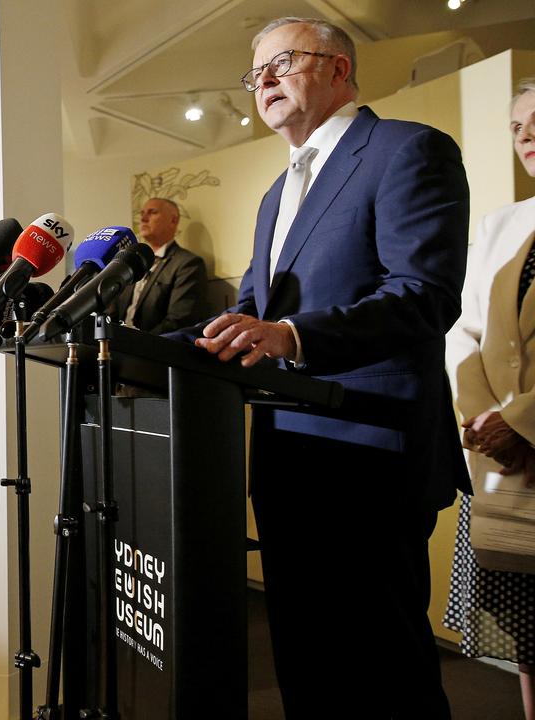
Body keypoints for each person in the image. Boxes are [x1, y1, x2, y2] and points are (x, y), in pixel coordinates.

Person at [176, 17, 469, 717]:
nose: (264, 82)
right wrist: (129, 342)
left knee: (383, 670)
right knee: (307, 663)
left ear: (339, 68)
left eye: (282, 63)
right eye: (256, 74)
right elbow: (246, 310)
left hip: (372, 454)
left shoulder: (407, 150)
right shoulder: (279, 192)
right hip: (288, 454)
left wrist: (291, 336)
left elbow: (422, 296)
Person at [444, 78, 535, 720]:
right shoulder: (504, 223)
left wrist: (524, 421)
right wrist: (486, 422)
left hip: (526, 437)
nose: (526, 135)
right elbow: (462, 330)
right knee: (527, 630)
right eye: (516, 127)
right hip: (505, 467)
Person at [111, 197, 208, 334]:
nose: (143, 219)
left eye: (152, 212)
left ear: (173, 221)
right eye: (142, 213)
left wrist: (135, 344)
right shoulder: (130, 262)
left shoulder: (188, 264)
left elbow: (179, 321)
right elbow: (112, 312)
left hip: (155, 350)